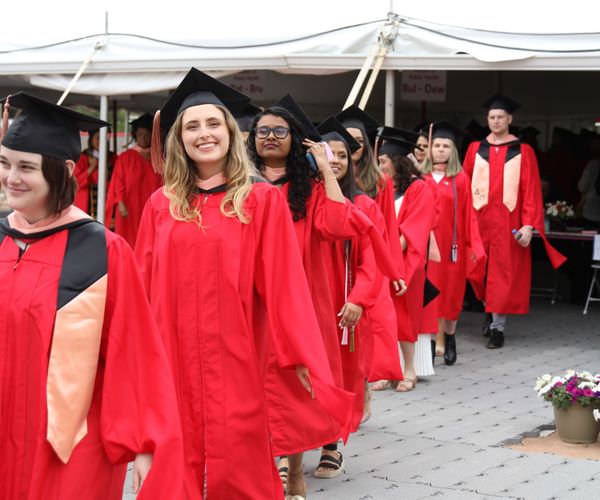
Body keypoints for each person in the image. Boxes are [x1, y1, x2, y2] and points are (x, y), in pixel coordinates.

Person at [136, 69, 350, 500]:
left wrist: (303, 356)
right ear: (179, 139)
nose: (204, 134)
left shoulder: (260, 200)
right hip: (171, 359)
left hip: (238, 358)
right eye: (192, 126)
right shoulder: (162, 205)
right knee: (173, 468)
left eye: (213, 123)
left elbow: (285, 285)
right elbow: (140, 286)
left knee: (241, 465)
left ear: (231, 133)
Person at [0, 92, 183, 499]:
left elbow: (134, 352)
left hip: (70, 442)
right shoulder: (1, 237)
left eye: (26, 166)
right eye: (4, 162)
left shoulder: (100, 250)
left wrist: (144, 443)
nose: (12, 177)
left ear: (64, 169)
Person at [248, 96, 403, 491]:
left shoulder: (311, 190)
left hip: (303, 298)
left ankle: (295, 464)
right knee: (259, 382)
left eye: (280, 131)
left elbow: (339, 224)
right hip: (254, 298)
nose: (269, 137)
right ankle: (273, 458)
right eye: (262, 130)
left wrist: (326, 172)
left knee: (298, 383)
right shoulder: (242, 187)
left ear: (295, 140)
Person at [463, 94, 566, 348]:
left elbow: (531, 190)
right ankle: (489, 310)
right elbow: (463, 185)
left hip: (508, 224)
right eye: (491, 117)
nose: (496, 121)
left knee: (503, 276)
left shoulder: (523, 150)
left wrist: (529, 225)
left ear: (510, 119)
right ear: (487, 120)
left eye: (500, 117)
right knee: (477, 272)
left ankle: (498, 328)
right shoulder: (476, 149)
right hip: (478, 221)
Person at [420, 121, 485, 365]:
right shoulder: (421, 178)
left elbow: (470, 215)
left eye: (445, 145)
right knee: (429, 294)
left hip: (451, 249)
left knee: (451, 295)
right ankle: (429, 341)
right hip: (426, 248)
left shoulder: (460, 180)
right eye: (436, 145)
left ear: (453, 150)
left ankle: (450, 335)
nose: (440, 149)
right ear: (430, 149)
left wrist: (474, 246)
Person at [374, 131, 435, 392]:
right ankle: (388, 371)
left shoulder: (418, 188)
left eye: (383, 160)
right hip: (384, 261)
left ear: (397, 160)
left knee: (405, 316)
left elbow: (413, 231)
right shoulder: (384, 186)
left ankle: (409, 369)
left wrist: (387, 256)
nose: (380, 166)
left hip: (405, 264)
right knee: (384, 317)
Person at [105, 113, 162, 247]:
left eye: (147, 134)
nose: (143, 137)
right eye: (140, 134)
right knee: (129, 238)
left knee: (149, 238)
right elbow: (118, 180)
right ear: (135, 135)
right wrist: (120, 202)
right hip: (129, 204)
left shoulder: (158, 157)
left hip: (150, 204)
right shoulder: (125, 157)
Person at [73, 128, 115, 217]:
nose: (101, 141)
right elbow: (76, 182)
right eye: (98, 138)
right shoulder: (82, 157)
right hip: (86, 201)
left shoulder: (113, 158)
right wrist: (92, 167)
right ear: (91, 140)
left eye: (103, 138)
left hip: (107, 199)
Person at [577, 134, 600, 230]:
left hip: (591, 210)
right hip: (594, 209)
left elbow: (582, 186)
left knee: (589, 241)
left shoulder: (592, 164)